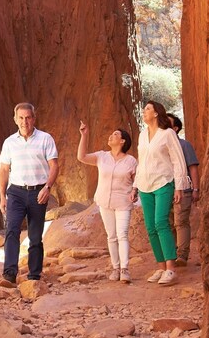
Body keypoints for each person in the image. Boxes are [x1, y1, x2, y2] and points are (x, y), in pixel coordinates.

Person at [0, 103, 59, 284]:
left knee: (35, 235)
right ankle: (9, 272)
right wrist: (2, 196)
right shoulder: (9, 142)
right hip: (15, 192)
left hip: (38, 192)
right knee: (12, 229)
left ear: (34, 118)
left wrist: (47, 187)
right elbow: (4, 170)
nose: (25, 122)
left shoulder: (45, 139)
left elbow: (54, 165)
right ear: (15, 119)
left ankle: (34, 274)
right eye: (21, 118)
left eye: (28, 117)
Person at [132, 101, 189, 286]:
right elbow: (141, 162)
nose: (144, 112)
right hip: (144, 185)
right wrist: (135, 186)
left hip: (164, 182)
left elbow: (178, 160)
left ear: (156, 113)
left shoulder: (168, 133)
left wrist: (179, 186)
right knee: (150, 227)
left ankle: (171, 269)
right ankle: (161, 267)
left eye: (148, 109)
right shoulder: (142, 135)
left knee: (161, 222)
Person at [77, 122, 138, 283]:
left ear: (123, 141)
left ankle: (125, 269)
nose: (111, 136)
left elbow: (137, 179)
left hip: (123, 201)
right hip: (104, 201)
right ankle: (115, 268)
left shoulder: (131, 161)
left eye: (116, 134)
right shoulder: (102, 156)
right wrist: (84, 135)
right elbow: (81, 157)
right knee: (111, 236)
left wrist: (135, 190)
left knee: (122, 234)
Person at [166, 113, 200, 266]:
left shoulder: (184, 145)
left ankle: (182, 255)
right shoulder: (162, 147)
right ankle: (172, 253)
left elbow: (193, 168)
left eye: (168, 123)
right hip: (165, 190)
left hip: (183, 189)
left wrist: (196, 189)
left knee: (180, 221)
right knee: (168, 223)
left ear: (175, 128)